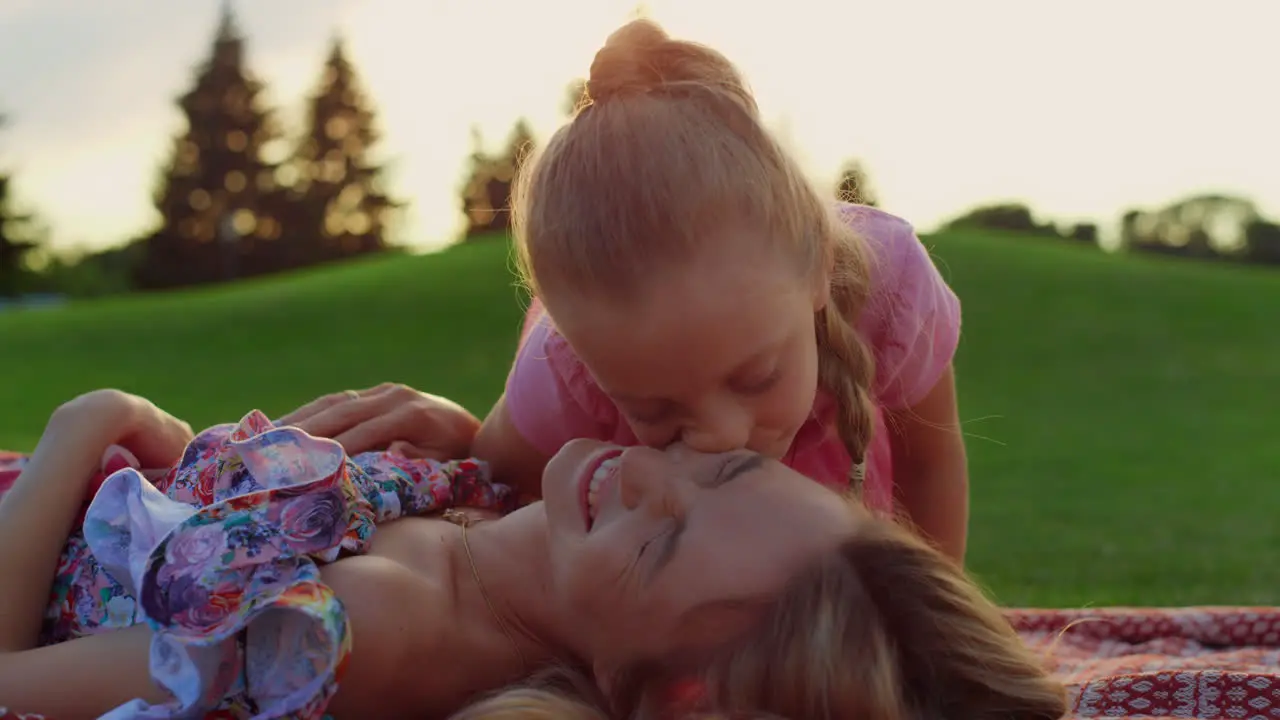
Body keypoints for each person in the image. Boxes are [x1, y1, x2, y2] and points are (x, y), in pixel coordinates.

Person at [282, 18, 971, 564]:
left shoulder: (888, 288)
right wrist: (462, 436)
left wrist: (934, 653)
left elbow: (931, 464)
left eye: (757, 376)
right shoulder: (562, 379)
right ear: (589, 365)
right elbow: (490, 491)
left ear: (818, 268)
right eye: (655, 410)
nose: (720, 435)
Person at [0, 389, 1063, 720]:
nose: (650, 475)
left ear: (659, 697)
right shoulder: (502, 509)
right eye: (723, 473)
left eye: (658, 546)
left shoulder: (340, 638)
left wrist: (84, 430)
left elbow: (11, 684)